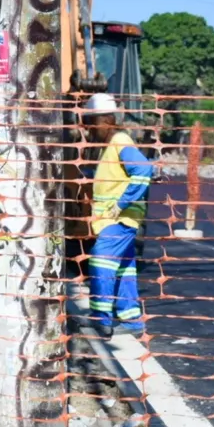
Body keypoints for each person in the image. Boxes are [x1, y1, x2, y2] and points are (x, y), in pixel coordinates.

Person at [82, 93, 153, 339]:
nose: (89, 130)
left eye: (91, 124)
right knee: (124, 269)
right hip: (116, 220)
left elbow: (144, 170)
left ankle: (101, 320)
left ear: (105, 120)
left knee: (101, 264)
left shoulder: (120, 140)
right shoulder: (110, 147)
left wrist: (120, 204)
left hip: (118, 220)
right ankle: (132, 321)